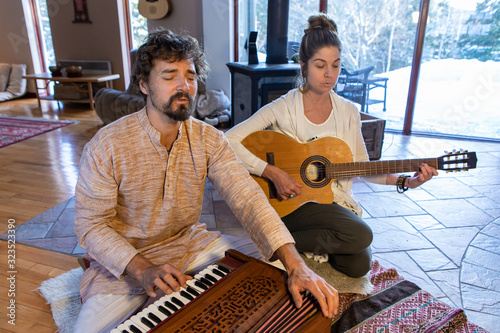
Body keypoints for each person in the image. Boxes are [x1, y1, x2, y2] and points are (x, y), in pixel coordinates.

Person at [73, 29, 337, 332]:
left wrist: (296, 265)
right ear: (144, 84)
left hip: (189, 244)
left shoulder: (209, 139)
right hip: (125, 262)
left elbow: (247, 198)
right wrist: (143, 269)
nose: (185, 86)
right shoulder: (107, 144)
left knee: (277, 270)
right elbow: (90, 224)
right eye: (170, 76)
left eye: (190, 75)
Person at [226, 14, 437, 279]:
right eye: (320, 65)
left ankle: (283, 241)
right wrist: (272, 172)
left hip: (331, 202)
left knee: (358, 266)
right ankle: (277, 233)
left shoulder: (348, 112)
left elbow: (363, 167)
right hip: (292, 203)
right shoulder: (284, 107)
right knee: (362, 234)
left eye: (336, 66)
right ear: (303, 65)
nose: (329, 74)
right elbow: (228, 140)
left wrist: (406, 182)